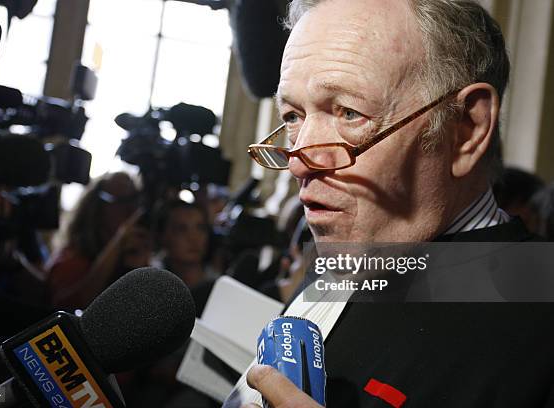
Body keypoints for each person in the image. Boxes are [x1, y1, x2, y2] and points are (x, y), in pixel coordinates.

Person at [224, 0, 554, 407]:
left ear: (466, 130)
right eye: (293, 116)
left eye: (349, 112)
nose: (300, 165)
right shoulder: (355, 254)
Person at [46, 172, 152, 309]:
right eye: (120, 201)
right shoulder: (73, 255)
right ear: (96, 207)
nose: (131, 209)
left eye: (134, 200)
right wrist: (118, 242)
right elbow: (71, 304)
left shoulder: (133, 252)